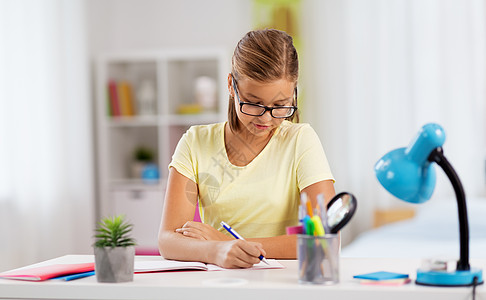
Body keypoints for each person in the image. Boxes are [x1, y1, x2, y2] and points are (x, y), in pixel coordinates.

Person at [158, 29, 335, 269]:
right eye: (254, 103)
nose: (266, 118)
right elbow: (168, 240)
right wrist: (217, 252)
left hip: (285, 282)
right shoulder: (195, 142)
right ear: (231, 85)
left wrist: (225, 242)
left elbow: (323, 239)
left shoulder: (301, 140)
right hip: (222, 281)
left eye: (280, 106)